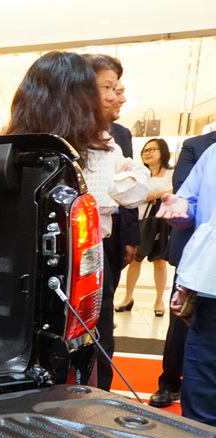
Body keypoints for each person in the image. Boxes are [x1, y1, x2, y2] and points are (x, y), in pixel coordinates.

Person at [6, 51, 149, 391]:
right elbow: (125, 195)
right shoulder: (99, 149)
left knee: (27, 352)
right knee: (86, 349)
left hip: (22, 265)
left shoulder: (13, 145)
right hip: (84, 265)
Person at [149, 130, 216, 407]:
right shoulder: (209, 152)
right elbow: (191, 204)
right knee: (201, 387)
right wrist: (181, 208)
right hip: (207, 282)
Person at [86, 55, 139, 291]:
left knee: (108, 290)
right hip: (87, 230)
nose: (118, 98)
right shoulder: (69, 133)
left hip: (115, 228)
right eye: (109, 89)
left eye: (117, 90)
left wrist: (131, 237)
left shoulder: (121, 134)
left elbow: (130, 183)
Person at [116, 138, 173, 316]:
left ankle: (159, 301)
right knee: (135, 260)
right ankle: (128, 298)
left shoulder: (172, 173)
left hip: (162, 222)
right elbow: (138, 196)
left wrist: (151, 195)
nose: (147, 153)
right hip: (140, 220)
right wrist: (161, 194)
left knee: (159, 261)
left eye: (152, 149)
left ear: (163, 151)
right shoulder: (140, 173)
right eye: (145, 151)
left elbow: (175, 191)